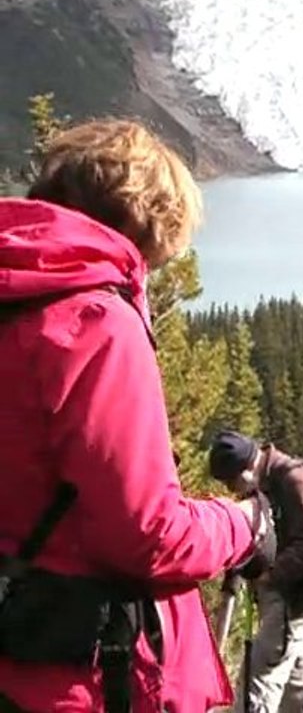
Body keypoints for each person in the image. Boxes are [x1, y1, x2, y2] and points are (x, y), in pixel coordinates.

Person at [0, 119, 268, 712]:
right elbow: (146, 535)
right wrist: (242, 526)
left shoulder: (15, 294)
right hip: (73, 678)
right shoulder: (95, 323)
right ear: (150, 224)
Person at [209, 430, 303, 713]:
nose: (231, 490)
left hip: (294, 598)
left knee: (257, 684)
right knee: (296, 687)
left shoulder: (295, 482)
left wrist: (269, 576)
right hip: (295, 601)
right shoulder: (269, 481)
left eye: (230, 482)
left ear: (245, 468)